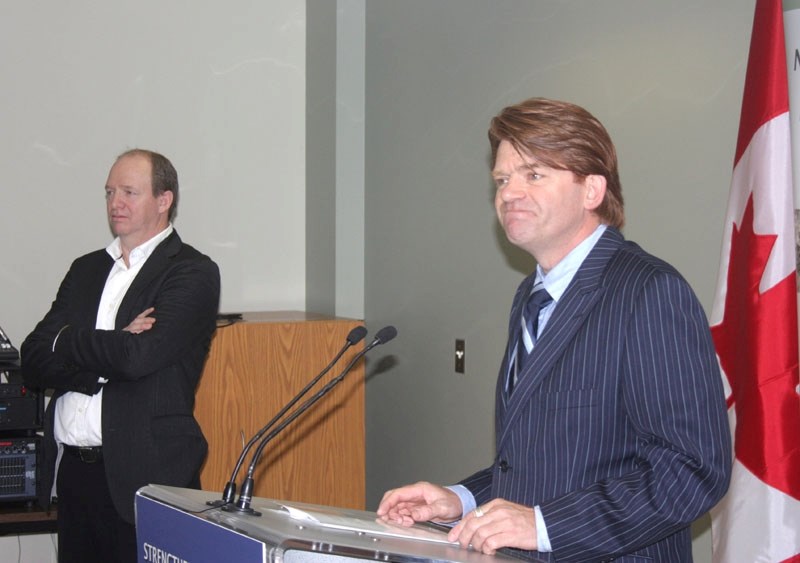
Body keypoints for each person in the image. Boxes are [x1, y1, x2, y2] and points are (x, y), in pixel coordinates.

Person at [377, 98, 732, 562]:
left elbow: (692, 470)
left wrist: (545, 525)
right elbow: (543, 464)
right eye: (502, 179)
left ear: (592, 191)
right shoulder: (530, 296)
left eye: (533, 175)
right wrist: (461, 499)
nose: (508, 193)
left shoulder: (648, 292)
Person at [21, 149, 220, 563]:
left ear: (164, 200)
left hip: (145, 475)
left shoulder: (190, 271)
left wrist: (68, 340)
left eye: (130, 191)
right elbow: (34, 357)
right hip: (74, 474)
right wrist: (104, 349)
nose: (116, 203)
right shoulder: (86, 270)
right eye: (110, 191)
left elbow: (137, 358)